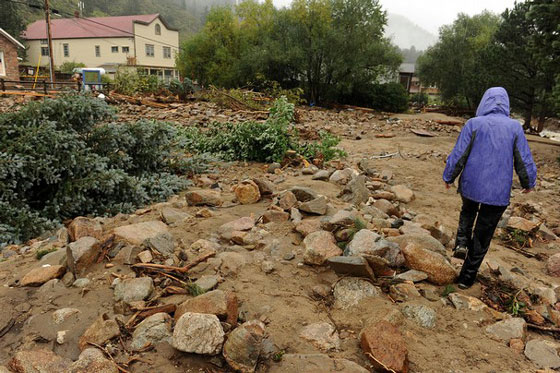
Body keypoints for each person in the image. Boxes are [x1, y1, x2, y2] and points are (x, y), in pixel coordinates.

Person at [443, 87, 537, 289]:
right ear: (506, 104)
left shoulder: (474, 124)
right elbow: (524, 158)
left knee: (467, 211)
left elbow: (459, 154)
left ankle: (460, 243)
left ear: (484, 102)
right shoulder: (514, 127)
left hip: (471, 185)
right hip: (497, 191)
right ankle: (466, 278)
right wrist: (528, 182)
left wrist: (449, 176)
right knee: (483, 234)